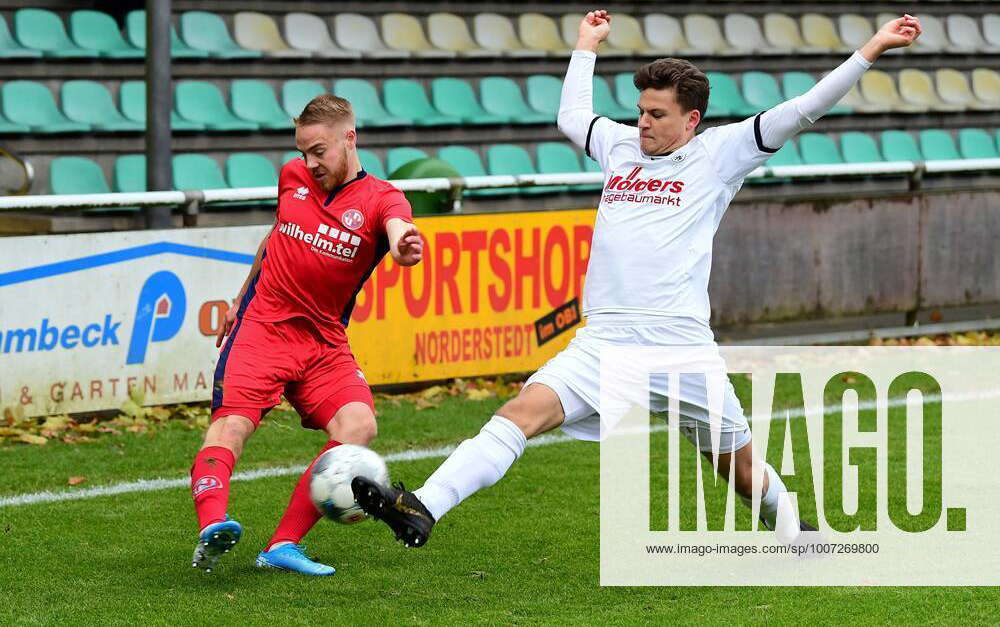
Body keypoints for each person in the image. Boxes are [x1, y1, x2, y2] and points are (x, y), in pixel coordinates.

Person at [352, 10, 922, 548]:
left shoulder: (721, 154)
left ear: (691, 119)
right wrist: (584, 49)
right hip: (603, 342)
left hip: (680, 350)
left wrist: (871, 49)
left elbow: (803, 109)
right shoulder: (621, 145)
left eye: (657, 115)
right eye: (641, 110)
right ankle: (423, 504)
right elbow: (572, 119)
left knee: (742, 474)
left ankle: (795, 531)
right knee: (518, 416)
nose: (642, 123)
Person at [190, 94, 423, 575]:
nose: (309, 163)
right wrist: (238, 301)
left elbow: (399, 232)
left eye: (319, 150)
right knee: (232, 426)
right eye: (303, 152)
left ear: (349, 138)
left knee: (359, 428)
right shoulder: (292, 178)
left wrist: (404, 246)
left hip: (323, 343)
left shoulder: (383, 198)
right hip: (262, 328)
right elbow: (275, 237)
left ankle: (281, 546)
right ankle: (212, 528)